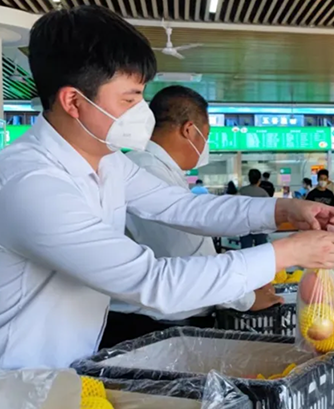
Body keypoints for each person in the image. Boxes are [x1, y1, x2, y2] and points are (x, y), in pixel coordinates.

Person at [0, 5, 334, 386]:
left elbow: (182, 206)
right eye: (129, 98)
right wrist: (289, 252)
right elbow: (152, 281)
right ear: (73, 101)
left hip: (56, 382)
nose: (142, 111)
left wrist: (284, 210)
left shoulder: (109, 161)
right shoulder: (32, 182)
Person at [107, 86, 284, 346]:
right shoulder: (147, 170)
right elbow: (187, 254)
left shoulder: (157, 169)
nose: (205, 146)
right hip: (151, 329)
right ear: (189, 130)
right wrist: (246, 298)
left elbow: (200, 214)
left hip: (159, 324)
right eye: (206, 135)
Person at [239, 169, 271, 248]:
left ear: (249, 178)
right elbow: (268, 210)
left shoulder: (241, 191)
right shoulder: (263, 193)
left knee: (246, 250)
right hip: (260, 225)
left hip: (244, 224)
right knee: (260, 249)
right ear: (259, 180)